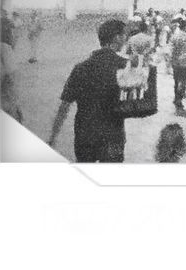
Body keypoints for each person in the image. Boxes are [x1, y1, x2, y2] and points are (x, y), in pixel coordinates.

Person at [48, 18, 129, 163]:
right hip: (113, 137)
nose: (125, 39)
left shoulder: (80, 68)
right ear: (116, 37)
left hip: (85, 135)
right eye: (124, 35)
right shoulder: (124, 67)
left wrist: (53, 136)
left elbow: (64, 106)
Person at [169, 18, 186, 110]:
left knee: (176, 81)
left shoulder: (174, 36)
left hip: (176, 62)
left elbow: (171, 50)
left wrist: (171, 60)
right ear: (185, 27)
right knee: (183, 82)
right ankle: (179, 100)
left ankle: (176, 98)